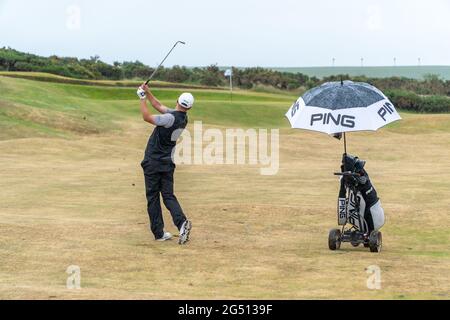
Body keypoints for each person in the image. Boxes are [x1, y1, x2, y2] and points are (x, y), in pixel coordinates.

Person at [136, 84, 193, 244]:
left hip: (153, 162)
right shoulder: (182, 118)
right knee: (168, 195)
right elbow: (158, 106)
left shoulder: (169, 118)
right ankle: (182, 224)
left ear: (177, 100)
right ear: (189, 107)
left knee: (153, 197)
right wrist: (147, 92)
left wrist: (141, 99)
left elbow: (147, 117)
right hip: (167, 163)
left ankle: (159, 233)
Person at [338, 153, 385, 234]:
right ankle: (363, 230)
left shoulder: (363, 177)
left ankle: (366, 231)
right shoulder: (346, 177)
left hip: (370, 206)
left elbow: (363, 181)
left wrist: (353, 179)